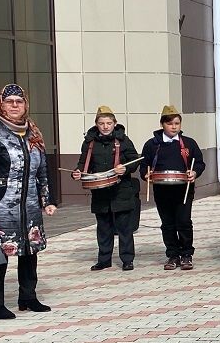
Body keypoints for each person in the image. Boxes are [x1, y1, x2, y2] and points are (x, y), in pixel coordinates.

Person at [0, 84, 56, 319]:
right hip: (0, 206)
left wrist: (48, 199)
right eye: (10, 101)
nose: (15, 105)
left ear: (26, 104)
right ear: (1, 104)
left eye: (19, 101)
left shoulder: (33, 132)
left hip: (29, 206)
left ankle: (28, 297)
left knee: (29, 251)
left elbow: (42, 170)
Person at [72, 105, 141, 272]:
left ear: (114, 123)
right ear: (96, 124)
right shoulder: (89, 142)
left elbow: (134, 160)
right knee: (103, 227)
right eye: (101, 123)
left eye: (109, 123)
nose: (105, 126)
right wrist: (78, 172)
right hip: (100, 191)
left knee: (124, 228)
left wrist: (125, 168)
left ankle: (127, 259)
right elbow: (83, 163)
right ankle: (104, 259)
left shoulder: (123, 140)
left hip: (121, 190)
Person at [140, 105, 206, 271]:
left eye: (177, 123)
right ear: (162, 124)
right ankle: (172, 254)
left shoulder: (189, 143)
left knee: (184, 222)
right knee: (167, 223)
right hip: (162, 191)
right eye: (170, 123)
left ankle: (186, 254)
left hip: (183, 190)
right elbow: (144, 164)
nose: (174, 127)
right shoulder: (152, 144)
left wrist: (195, 172)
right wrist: (145, 174)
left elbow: (199, 162)